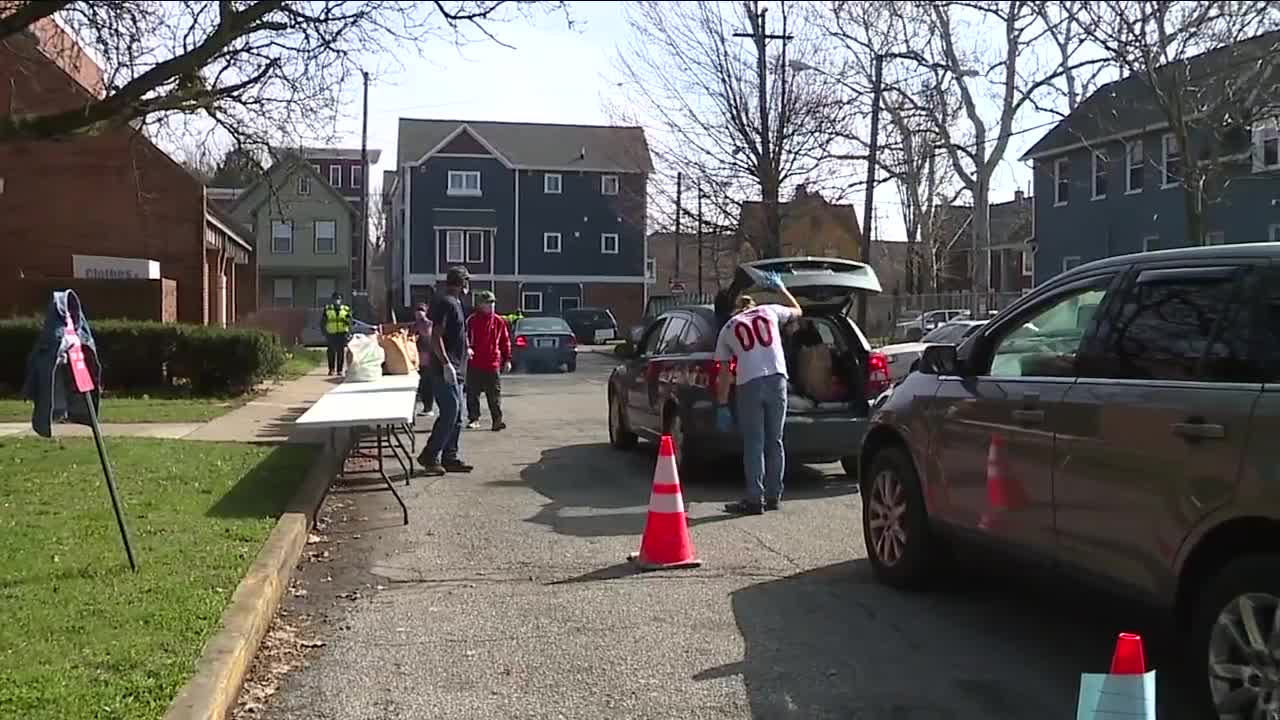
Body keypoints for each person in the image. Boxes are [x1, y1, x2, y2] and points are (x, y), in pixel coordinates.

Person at [713, 272, 803, 515]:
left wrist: (722, 405)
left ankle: (755, 499)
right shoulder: (769, 311)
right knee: (775, 440)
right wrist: (781, 289)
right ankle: (774, 496)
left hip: (749, 383)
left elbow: (724, 375)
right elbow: (797, 311)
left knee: (755, 443)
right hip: (777, 379)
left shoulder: (727, 330)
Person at [417, 267, 473, 477]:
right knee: (450, 411)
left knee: (459, 415)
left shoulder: (457, 303)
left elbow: (456, 333)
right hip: (444, 369)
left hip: (458, 367)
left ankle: (450, 456)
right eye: (467, 282)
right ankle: (430, 455)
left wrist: (466, 348)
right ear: (462, 283)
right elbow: (435, 337)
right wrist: (446, 363)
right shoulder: (445, 303)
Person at [464, 290, 512, 431]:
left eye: (493, 302)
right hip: (475, 363)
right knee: (473, 393)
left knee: (494, 394)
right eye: (488, 303)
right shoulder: (472, 320)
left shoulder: (498, 321)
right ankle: (474, 419)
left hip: (492, 363)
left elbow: (505, 341)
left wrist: (507, 359)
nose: (491, 305)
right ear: (480, 304)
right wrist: (467, 348)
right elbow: (464, 336)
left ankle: (497, 421)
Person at [321, 291, 353, 376]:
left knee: (341, 352)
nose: (337, 300)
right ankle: (331, 369)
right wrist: (324, 332)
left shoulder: (346, 309)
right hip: (331, 333)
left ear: (341, 300)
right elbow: (323, 321)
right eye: (335, 299)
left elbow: (350, 322)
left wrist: (349, 332)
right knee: (331, 352)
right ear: (332, 300)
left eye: (339, 299)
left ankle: (339, 370)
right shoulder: (328, 309)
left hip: (342, 333)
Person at [412, 303, 435, 417]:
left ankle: (428, 408)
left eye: (421, 310)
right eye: (417, 310)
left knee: (428, 384)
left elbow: (430, 340)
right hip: (416, 360)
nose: (419, 313)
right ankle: (423, 408)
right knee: (420, 385)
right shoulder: (413, 326)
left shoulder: (430, 325)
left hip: (429, 360)